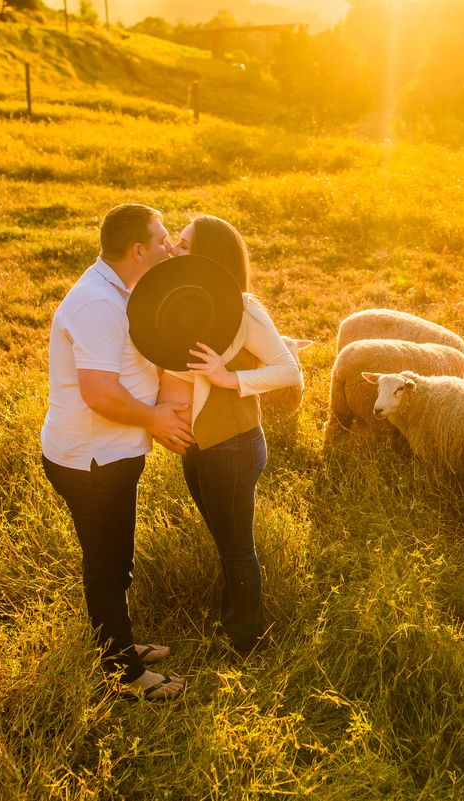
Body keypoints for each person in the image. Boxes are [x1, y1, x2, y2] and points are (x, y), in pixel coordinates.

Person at [40, 204, 195, 700]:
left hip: (108, 455)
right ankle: (124, 676)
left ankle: (120, 647)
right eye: (164, 239)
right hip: (91, 461)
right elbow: (100, 393)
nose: (170, 246)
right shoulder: (97, 305)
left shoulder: (119, 289)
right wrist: (156, 418)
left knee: (115, 561)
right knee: (108, 566)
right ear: (138, 250)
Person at [156, 215, 302, 655]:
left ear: (206, 256)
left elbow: (289, 369)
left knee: (237, 547)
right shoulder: (183, 303)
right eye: (173, 243)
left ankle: (248, 643)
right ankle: (232, 616)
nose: (172, 250)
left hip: (234, 446)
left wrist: (229, 378)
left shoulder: (244, 308)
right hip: (200, 445)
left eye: (182, 245)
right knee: (224, 540)